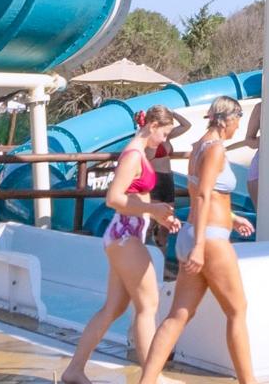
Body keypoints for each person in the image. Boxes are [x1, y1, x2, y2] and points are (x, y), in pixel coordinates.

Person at [58, 106, 184, 383]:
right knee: (148, 306)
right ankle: (150, 377)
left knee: (113, 308)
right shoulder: (133, 156)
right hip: (125, 236)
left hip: (125, 235)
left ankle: (74, 370)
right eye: (164, 132)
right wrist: (155, 209)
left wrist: (158, 214)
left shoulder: (140, 154)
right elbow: (114, 199)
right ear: (152, 125)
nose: (164, 139)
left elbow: (136, 199)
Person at [138, 96, 255, 384]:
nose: (239, 125)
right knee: (238, 311)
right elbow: (203, 195)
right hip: (209, 240)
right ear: (226, 119)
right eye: (238, 119)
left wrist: (232, 218)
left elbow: (209, 195)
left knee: (179, 314)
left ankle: (146, 381)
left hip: (193, 233)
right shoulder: (214, 149)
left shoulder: (197, 147)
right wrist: (201, 245)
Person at [146, 108, 190, 250]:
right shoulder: (148, 138)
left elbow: (186, 125)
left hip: (167, 178)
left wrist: (173, 113)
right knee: (151, 220)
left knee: (167, 220)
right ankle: (143, 251)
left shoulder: (166, 136)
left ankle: (161, 258)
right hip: (155, 178)